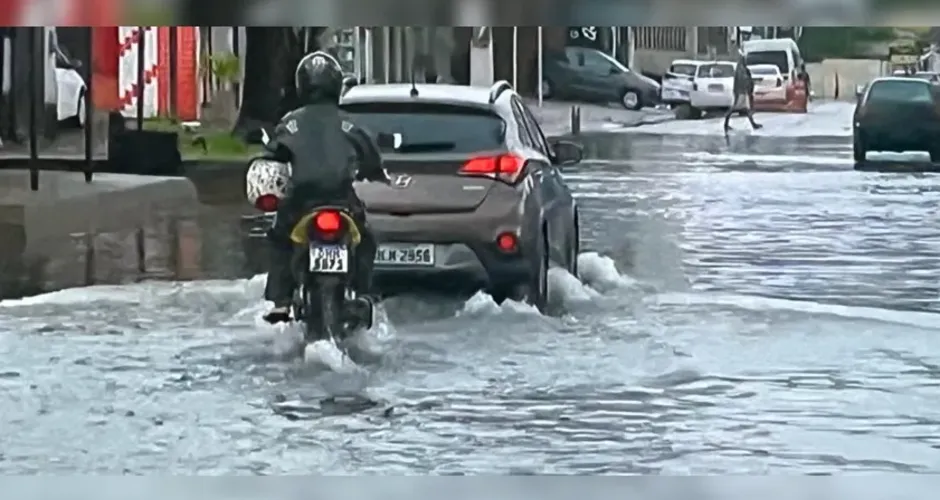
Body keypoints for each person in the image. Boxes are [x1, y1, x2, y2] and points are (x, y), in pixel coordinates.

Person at [256, 50, 392, 324]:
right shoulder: (349, 123)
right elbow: (371, 156)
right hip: (341, 200)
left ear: (302, 85)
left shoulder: (290, 122)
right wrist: (377, 174)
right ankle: (365, 294)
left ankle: (280, 302)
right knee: (365, 239)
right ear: (336, 85)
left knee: (280, 238)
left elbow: (273, 156)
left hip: (300, 202)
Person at [724, 49, 762, 132]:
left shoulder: (742, 68)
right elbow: (742, 79)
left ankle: (753, 124)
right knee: (735, 108)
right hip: (740, 91)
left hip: (742, 91)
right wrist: (746, 85)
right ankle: (726, 124)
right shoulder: (740, 68)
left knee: (746, 108)